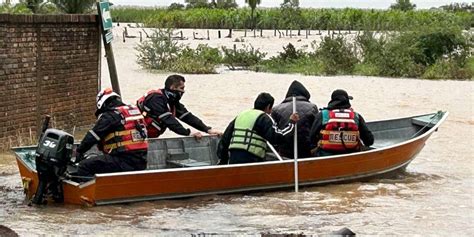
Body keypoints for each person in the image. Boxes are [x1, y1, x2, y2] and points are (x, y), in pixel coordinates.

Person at [74, 88, 148, 178]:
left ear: (103, 104)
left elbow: (93, 136)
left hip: (124, 161)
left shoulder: (111, 115)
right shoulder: (133, 112)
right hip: (141, 162)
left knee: (84, 166)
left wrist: (79, 151)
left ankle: (90, 192)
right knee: (103, 162)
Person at [217, 92, 300, 164]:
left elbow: (225, 140)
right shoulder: (264, 117)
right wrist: (292, 122)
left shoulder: (241, 115)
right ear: (268, 107)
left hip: (233, 160)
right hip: (251, 160)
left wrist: (223, 160)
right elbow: (278, 137)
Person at [136, 74, 221, 139]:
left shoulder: (171, 101)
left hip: (148, 138)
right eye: (181, 88)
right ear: (173, 87)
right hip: (137, 137)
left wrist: (208, 130)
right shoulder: (155, 99)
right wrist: (188, 133)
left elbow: (187, 117)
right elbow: (169, 121)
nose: (183, 91)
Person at [309, 89, 374, 156]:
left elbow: (311, 138)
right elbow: (369, 141)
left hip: (325, 155)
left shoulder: (322, 115)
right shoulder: (356, 116)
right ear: (347, 101)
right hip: (351, 155)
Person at [271, 80, 319, 158]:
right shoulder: (312, 107)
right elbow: (315, 130)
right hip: (306, 149)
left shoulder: (276, 109)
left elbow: (273, 132)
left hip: (284, 151)